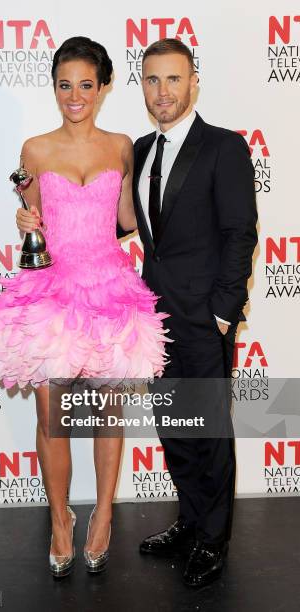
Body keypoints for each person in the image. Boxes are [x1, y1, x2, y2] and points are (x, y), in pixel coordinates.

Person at [0, 36, 168, 578]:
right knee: (50, 415)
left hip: (108, 286)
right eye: (66, 85)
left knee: (109, 413)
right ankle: (60, 517)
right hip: (53, 290)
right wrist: (25, 222)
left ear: (104, 87)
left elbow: (128, 219)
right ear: (55, 88)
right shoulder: (35, 150)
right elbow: (33, 220)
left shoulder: (122, 146)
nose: (75, 95)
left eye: (86, 85)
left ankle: (102, 516)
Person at [134, 39, 258, 587]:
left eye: (173, 79)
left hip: (205, 319)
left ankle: (213, 539)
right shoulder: (138, 150)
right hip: (154, 319)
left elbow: (240, 233)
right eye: (152, 81)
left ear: (193, 81)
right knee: (175, 430)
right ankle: (188, 522)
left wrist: (223, 313)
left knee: (208, 431)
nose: (163, 92)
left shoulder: (223, 147)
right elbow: (120, 224)